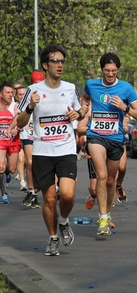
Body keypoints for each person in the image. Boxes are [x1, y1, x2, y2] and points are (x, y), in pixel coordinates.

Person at [17, 44, 87, 256]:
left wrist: (79, 115)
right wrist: (30, 106)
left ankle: (63, 221)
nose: (60, 65)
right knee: (48, 200)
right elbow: (20, 123)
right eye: (56, 61)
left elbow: (81, 110)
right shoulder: (33, 90)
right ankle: (53, 237)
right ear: (46, 65)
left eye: (62, 61)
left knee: (67, 194)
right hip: (43, 151)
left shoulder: (70, 87)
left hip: (65, 149)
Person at [81, 52, 137, 236]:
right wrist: (84, 109)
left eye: (113, 71)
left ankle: (107, 215)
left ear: (118, 70)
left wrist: (124, 108)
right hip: (96, 136)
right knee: (101, 175)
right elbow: (85, 98)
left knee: (110, 180)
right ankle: (102, 217)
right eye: (107, 71)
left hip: (115, 138)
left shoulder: (126, 88)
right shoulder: (92, 84)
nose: (110, 74)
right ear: (102, 70)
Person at [21, 70, 46, 209]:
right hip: (28, 133)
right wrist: (14, 127)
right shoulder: (28, 94)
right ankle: (32, 191)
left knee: (44, 163)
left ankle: (52, 188)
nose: (36, 86)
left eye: (39, 83)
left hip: (42, 134)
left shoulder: (47, 94)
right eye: (34, 83)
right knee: (30, 162)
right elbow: (19, 113)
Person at [0, 84, 21, 204]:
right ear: (1, 94)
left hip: (13, 140)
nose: (10, 95)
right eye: (7, 92)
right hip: (1, 140)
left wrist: (17, 129)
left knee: (12, 169)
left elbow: (22, 122)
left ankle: (7, 173)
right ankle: (4, 194)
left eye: (12, 93)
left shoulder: (16, 106)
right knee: (0, 166)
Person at [14, 86, 28, 191]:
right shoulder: (15, 107)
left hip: (31, 137)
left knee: (29, 162)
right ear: (16, 96)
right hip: (19, 137)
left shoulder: (32, 106)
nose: (22, 96)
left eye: (24, 94)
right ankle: (23, 182)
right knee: (21, 158)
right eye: (20, 94)